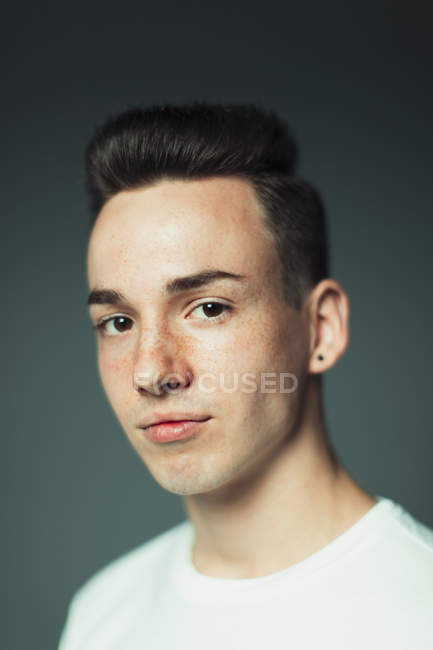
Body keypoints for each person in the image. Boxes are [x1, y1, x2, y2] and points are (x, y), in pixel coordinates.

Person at [58, 103, 433, 650]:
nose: (150, 371)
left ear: (321, 329)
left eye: (208, 308)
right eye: (118, 322)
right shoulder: (102, 612)